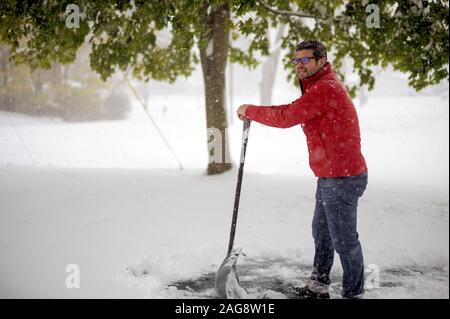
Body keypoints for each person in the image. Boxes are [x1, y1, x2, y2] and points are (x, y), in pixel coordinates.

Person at [236, 40, 368, 299]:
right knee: (322, 233)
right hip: (330, 175)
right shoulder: (319, 87)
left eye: (305, 60)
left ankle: (354, 294)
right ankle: (318, 286)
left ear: (321, 60)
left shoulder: (325, 89)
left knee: (344, 240)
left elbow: (288, 116)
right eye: (296, 60)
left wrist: (250, 110)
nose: (299, 65)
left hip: (343, 177)